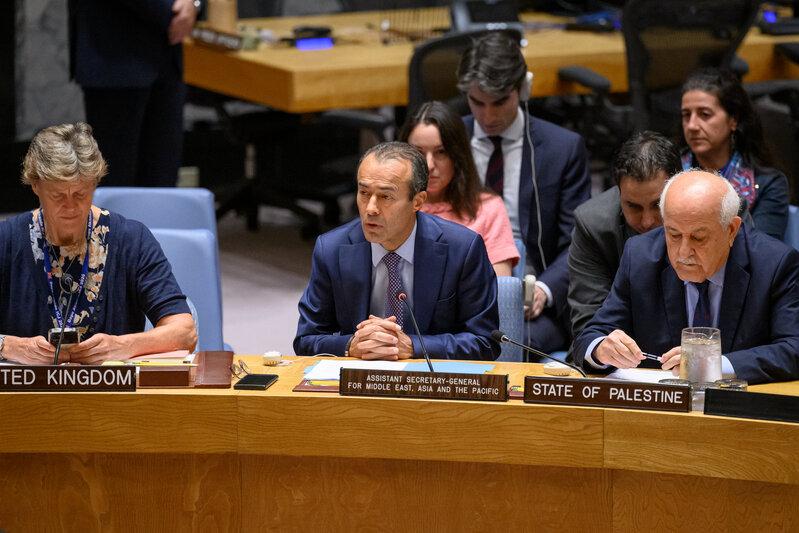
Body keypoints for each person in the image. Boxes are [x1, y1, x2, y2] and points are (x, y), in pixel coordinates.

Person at [573, 170, 799, 384]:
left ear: (731, 230)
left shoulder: (774, 264)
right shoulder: (640, 257)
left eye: (698, 238)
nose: (683, 252)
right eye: (673, 234)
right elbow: (590, 336)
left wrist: (713, 365)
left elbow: (793, 348)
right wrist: (601, 349)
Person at [0, 123, 197, 365]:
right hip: (25, 389)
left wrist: (124, 346)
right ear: (35, 185)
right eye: (58, 196)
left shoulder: (132, 240)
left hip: (111, 389)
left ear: (94, 184)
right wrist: (8, 346)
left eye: (80, 194)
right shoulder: (6, 241)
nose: (71, 207)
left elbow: (185, 332)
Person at [294, 141, 500, 361]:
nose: (371, 208)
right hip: (359, 374)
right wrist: (351, 345)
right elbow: (306, 338)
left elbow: (485, 341)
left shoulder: (463, 249)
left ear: (418, 202)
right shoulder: (331, 249)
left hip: (429, 377)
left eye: (386, 197)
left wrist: (414, 347)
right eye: (364, 193)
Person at [457, 31, 591, 353]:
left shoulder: (563, 149)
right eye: (477, 103)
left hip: (530, 299)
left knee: (506, 344)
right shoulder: (446, 144)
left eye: (499, 102)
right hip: (458, 291)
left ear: (523, 89)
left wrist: (543, 290)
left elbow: (578, 243)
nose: (488, 116)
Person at [70, 0, 198, 186]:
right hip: (115, 59)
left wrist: (193, 4)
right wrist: (173, 11)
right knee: (116, 186)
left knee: (162, 185)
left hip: (167, 58)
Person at [568, 131, 680, 340]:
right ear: (618, 193)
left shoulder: (708, 216)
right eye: (633, 206)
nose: (647, 221)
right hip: (624, 351)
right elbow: (589, 322)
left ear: (678, 189)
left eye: (657, 204)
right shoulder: (592, 225)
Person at [398, 101, 519, 277]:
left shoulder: (488, 208)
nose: (429, 165)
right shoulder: (391, 205)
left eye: (441, 152)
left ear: (457, 156)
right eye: (419, 153)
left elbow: (499, 286)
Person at [679, 68, 789, 240]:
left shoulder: (767, 183)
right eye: (686, 115)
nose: (692, 125)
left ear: (733, 120)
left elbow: (764, 250)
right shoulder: (670, 171)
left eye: (704, 114)